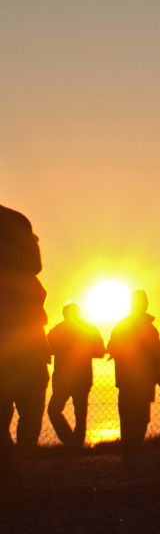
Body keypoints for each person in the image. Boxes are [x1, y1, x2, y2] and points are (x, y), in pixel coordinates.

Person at [0, 202, 50, 491]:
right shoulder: (16, 221)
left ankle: (13, 469)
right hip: (27, 340)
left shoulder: (14, 222)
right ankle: (14, 468)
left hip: (23, 339)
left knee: (27, 409)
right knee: (29, 409)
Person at [107, 291, 160, 451]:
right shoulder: (149, 329)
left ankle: (130, 449)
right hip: (142, 381)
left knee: (130, 416)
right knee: (138, 417)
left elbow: (111, 347)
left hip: (129, 380)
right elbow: (157, 357)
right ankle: (135, 448)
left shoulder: (121, 326)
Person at [46, 303, 105, 449]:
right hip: (80, 378)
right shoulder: (89, 330)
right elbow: (101, 352)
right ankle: (75, 443)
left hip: (64, 378)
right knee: (80, 413)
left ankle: (71, 442)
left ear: (65, 314)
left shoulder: (57, 330)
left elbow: (47, 349)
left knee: (54, 410)